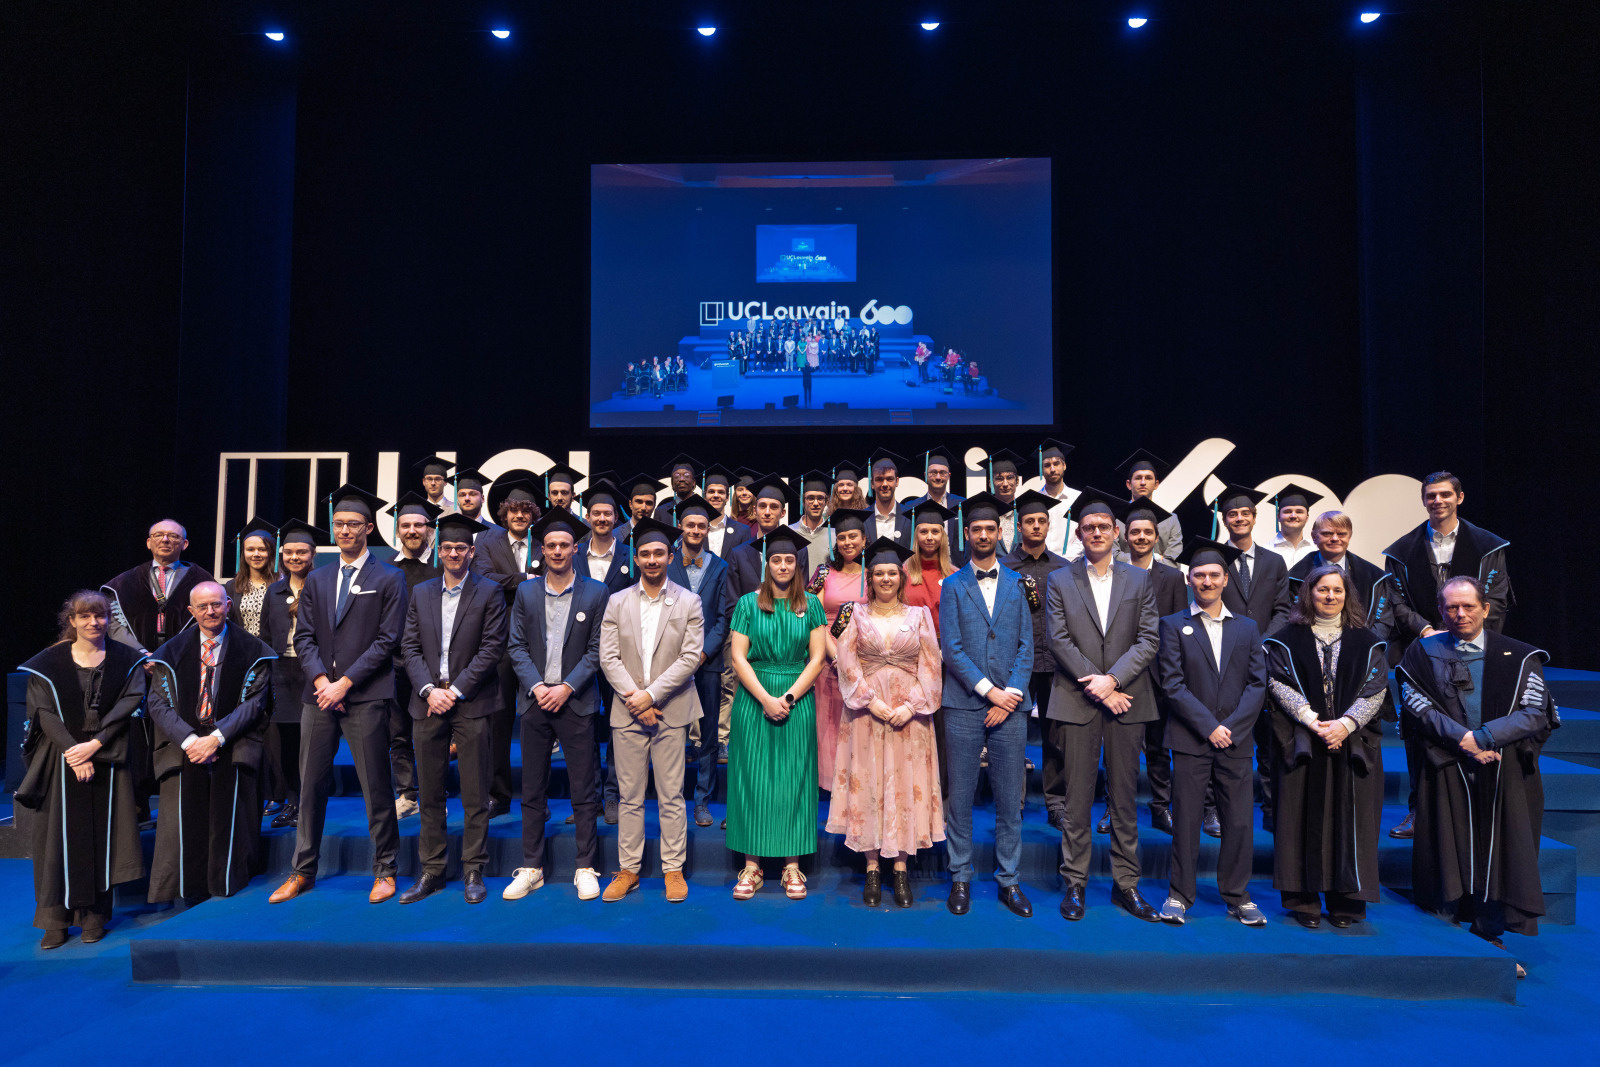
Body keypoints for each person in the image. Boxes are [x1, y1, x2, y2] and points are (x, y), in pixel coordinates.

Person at [1397, 577, 1554, 973]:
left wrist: (1484, 737)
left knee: (1500, 852)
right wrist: (1463, 740)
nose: (1460, 614)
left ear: (1485, 608)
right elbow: (1416, 704)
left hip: (1503, 770)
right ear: (1440, 610)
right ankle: (1445, 937)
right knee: (1445, 848)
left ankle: (1489, 935)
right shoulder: (1422, 652)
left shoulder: (1520, 656)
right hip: (1446, 766)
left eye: (1468, 606)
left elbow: (1535, 713)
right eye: (1451, 607)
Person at [270, 484, 407, 905]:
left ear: (368, 528)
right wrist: (320, 682)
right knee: (310, 787)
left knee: (376, 788)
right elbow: (304, 637)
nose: (345, 530)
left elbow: (387, 640)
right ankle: (302, 870)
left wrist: (344, 683)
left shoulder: (389, 577)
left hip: (365, 695)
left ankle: (385, 869)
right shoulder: (318, 578)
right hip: (318, 697)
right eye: (339, 524)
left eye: (352, 524)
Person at [1043, 490, 1162, 922]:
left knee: (1124, 798)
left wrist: (1112, 680)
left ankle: (1126, 884)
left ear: (1117, 532)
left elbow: (1149, 638)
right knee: (1077, 798)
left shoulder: (1139, 580)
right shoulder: (1059, 579)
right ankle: (1074, 882)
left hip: (1128, 699)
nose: (1096, 533)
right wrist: (1099, 685)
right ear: (1079, 534)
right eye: (1088, 527)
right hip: (1078, 699)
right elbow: (1058, 640)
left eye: (1103, 527)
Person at [1384, 472, 1514, 840]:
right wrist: (1427, 630)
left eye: (1445, 494)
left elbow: (1497, 598)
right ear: (1423, 500)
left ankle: (1481, 807)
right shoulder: (1401, 550)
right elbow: (1395, 602)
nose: (1437, 501)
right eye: (1431, 495)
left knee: (1475, 723)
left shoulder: (1488, 546)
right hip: (1422, 649)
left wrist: (1466, 632)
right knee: (1419, 728)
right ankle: (1418, 810)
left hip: (1476, 649)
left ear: (1460, 497)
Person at [16, 591, 148, 948]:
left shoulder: (126, 660)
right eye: (85, 616)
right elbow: (43, 712)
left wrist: (95, 744)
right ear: (71, 620)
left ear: (108, 619)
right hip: (60, 758)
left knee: (102, 838)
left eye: (100, 615)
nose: (94, 622)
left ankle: (94, 917)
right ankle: (54, 921)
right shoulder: (48, 663)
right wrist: (75, 752)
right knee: (55, 841)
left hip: (107, 755)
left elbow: (131, 701)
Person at [1263, 565, 1389, 928]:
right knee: (1299, 818)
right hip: (1304, 740)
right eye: (1322, 590)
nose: (1330, 596)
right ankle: (1304, 901)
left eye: (1337, 590)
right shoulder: (1286, 639)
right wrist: (1310, 719)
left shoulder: (1367, 641)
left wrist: (1346, 724)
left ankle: (1346, 902)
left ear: (1347, 595)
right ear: (1309, 593)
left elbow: (1376, 688)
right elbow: (1278, 682)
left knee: (1351, 821)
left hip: (1353, 744)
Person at [1156, 539, 1269, 927]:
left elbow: (1257, 684)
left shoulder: (1247, 628)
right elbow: (1172, 684)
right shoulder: (1173, 625)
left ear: (1225, 580)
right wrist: (1209, 727)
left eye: (1214, 575)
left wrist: (1230, 729)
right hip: (1191, 739)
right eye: (1199, 575)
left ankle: (1238, 895)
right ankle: (1179, 895)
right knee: (1187, 821)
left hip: (1236, 740)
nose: (1206, 581)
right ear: (1190, 579)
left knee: (1238, 821)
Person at [396, 513, 508, 905]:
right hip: (427, 701)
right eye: (447, 548)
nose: (454, 553)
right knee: (429, 793)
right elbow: (409, 647)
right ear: (438, 551)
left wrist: (455, 690)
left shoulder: (489, 592)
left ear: (471, 552)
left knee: (475, 794)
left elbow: (492, 648)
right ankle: (432, 870)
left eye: (461, 548)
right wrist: (429, 690)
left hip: (471, 701)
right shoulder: (421, 592)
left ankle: (474, 869)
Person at [827, 537, 944, 908]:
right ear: (870, 578)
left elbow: (932, 665)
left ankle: (901, 868)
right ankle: (873, 867)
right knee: (870, 782)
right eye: (878, 573)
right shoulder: (853, 614)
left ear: (901, 577)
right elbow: (846, 662)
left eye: (892, 573)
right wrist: (871, 702)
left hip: (910, 717)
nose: (886, 579)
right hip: (866, 714)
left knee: (906, 784)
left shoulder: (919, 616)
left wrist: (912, 706)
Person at [145, 580, 275, 904]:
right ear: (192, 611)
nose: (210, 611)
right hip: (185, 747)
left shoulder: (253, 650)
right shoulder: (171, 652)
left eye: (216, 604)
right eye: (202, 606)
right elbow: (157, 703)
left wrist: (215, 739)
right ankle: (187, 888)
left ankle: (226, 880)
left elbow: (255, 703)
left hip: (232, 743)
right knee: (184, 821)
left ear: (228, 605)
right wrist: (191, 740)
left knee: (230, 818)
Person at [505, 508, 611, 901]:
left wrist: (566, 687)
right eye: (550, 545)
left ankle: (585, 866)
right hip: (534, 702)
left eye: (564, 545)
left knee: (584, 791)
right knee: (532, 790)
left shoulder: (596, 593)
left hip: (576, 702)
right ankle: (532, 867)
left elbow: (598, 650)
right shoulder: (526, 592)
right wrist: (537, 686)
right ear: (542, 549)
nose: (557, 551)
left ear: (575, 549)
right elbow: (515, 646)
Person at [599, 516, 705, 903]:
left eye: (659, 553)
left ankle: (672, 869)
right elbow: (608, 657)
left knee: (671, 794)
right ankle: (628, 869)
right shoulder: (617, 601)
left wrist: (652, 696)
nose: (652, 559)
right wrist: (636, 698)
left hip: (670, 709)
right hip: (628, 710)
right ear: (636, 558)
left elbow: (690, 657)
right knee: (629, 796)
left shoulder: (689, 601)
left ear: (670, 556)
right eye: (645, 554)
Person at [939, 491, 1035, 918]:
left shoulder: (1018, 583)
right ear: (967, 534)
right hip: (963, 704)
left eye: (989, 529)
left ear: (999, 533)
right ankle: (960, 876)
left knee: (1009, 800)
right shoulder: (952, 585)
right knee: (960, 798)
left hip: (1010, 707)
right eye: (975, 529)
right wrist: (988, 691)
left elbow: (1027, 646)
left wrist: (1009, 695)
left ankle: (1009, 880)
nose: (982, 534)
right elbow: (952, 648)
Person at [726, 527, 828, 901]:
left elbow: (817, 658)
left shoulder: (811, 605)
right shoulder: (747, 604)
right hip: (754, 699)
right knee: (751, 779)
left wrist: (786, 696)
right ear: (766, 564)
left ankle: (791, 866)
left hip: (796, 698)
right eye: (776, 560)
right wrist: (766, 699)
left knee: (794, 779)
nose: (783, 566)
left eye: (789, 560)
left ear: (797, 565)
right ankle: (751, 867)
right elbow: (738, 657)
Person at [102, 517, 216, 827]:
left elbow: (208, 620)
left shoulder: (202, 580)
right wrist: (141, 655)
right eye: (159, 535)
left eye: (173, 536)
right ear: (149, 542)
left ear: (185, 544)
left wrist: (167, 657)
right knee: (136, 736)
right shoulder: (124, 583)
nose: (166, 540)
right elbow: (115, 624)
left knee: (180, 728)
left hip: (183, 667)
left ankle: (177, 806)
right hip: (136, 667)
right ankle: (138, 805)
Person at [1215, 482, 1293, 831]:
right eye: (1232, 514)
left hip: (1266, 659)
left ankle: (1272, 810)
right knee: (1227, 736)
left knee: (1269, 738)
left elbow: (1283, 609)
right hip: (1223, 659)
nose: (1239, 518)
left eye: (1245, 513)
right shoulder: (1214, 561)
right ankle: (1223, 809)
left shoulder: (1274, 562)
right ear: (1224, 519)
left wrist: (1261, 643)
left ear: (1255, 517)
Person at [472, 471, 545, 817]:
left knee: (536, 722)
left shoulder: (544, 541)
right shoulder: (487, 541)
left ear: (533, 514)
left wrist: (514, 584)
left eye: (526, 511)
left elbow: (554, 578)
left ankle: (536, 797)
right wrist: (525, 579)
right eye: (514, 510)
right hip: (498, 642)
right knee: (497, 721)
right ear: (504, 513)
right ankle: (498, 795)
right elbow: (484, 578)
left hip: (537, 642)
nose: (519, 516)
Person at [1001, 489, 1070, 829]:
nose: (1036, 526)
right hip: (1018, 665)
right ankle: (1013, 802)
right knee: (1013, 736)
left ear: (1048, 524)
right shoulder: (1005, 568)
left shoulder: (1064, 568)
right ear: (1019, 526)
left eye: (1042, 520)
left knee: (1056, 738)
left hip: (1056, 664)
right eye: (1030, 521)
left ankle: (1056, 803)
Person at [1120, 497, 1188, 834]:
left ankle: (1161, 807)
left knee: (1159, 747)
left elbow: (1177, 628)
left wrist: (1172, 673)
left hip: (1159, 674)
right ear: (1126, 537)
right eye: (1135, 532)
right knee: (1121, 749)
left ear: (1157, 537)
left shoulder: (1172, 578)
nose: (1142, 537)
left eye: (1147, 532)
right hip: (1122, 673)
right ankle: (1116, 809)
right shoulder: (1114, 572)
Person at [668, 495, 734, 828]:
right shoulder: (666, 563)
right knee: (672, 734)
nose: (695, 530)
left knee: (708, 735)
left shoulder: (719, 567)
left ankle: (702, 801)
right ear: (680, 526)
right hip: (668, 661)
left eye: (701, 526)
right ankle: (672, 800)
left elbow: (723, 617)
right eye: (690, 525)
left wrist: (703, 653)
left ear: (708, 530)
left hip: (707, 663)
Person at [258, 519, 322, 831]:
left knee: (309, 742)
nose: (294, 557)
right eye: (288, 553)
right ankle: (292, 801)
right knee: (283, 741)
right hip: (281, 671)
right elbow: (265, 633)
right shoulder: (275, 591)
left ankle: (308, 804)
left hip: (314, 671)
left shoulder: (322, 586)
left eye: (301, 552)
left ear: (313, 555)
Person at [384, 492, 443, 822]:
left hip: (431, 664)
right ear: (398, 530)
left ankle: (434, 795)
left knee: (432, 732)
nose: (412, 530)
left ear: (428, 529)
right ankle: (407, 794)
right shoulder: (384, 570)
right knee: (398, 732)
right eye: (405, 525)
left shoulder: (441, 569)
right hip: (393, 663)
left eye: (418, 525)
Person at [810, 506, 871, 789]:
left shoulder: (875, 574)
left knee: (859, 722)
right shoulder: (824, 573)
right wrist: (836, 655)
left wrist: (854, 659)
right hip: (828, 659)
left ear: (864, 540)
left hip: (865, 660)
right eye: (842, 537)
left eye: (853, 537)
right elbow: (815, 617)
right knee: (830, 722)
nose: (847, 542)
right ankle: (831, 786)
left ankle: (858, 783)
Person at [1288, 511, 1409, 646]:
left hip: (1363, 649)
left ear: (1349, 536)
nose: (1335, 538)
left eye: (1341, 534)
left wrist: (1366, 648)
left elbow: (1383, 620)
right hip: (1311, 648)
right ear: (1314, 537)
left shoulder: (1373, 577)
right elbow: (1291, 619)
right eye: (1327, 534)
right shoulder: (1294, 578)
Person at [1115, 450, 1183, 564]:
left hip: (1160, 576)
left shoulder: (1171, 520)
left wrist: (1135, 561)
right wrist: (1157, 558)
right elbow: (1112, 557)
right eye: (1138, 478)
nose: (1143, 482)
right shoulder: (1115, 518)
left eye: (1148, 478)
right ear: (1129, 484)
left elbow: (1173, 561)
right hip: (1123, 574)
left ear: (1156, 484)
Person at [227, 518, 279, 639]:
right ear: (243, 553)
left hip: (273, 647)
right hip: (242, 646)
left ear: (271, 552)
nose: (256, 554)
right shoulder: (232, 586)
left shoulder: (282, 583)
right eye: (250, 549)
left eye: (262, 549)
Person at [1035, 438, 1080, 559]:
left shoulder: (1077, 498)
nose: (1052, 469)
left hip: (1072, 563)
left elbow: (1083, 537)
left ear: (1064, 465)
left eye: (1056, 464)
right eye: (1047, 465)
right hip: (1040, 563)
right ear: (1041, 469)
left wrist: (1064, 561)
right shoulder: (1035, 501)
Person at [979, 449, 1028, 555]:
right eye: (999, 478)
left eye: (1010, 478)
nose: (1005, 484)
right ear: (990, 484)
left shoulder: (1026, 514)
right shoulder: (981, 515)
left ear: (1017, 481)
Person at [866, 449, 915, 546]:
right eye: (879, 479)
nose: (884, 484)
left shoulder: (910, 517)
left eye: (889, 479)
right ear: (872, 483)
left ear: (897, 481)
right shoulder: (863, 519)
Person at [702, 465, 750, 559]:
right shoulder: (696, 530)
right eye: (711, 492)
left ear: (727, 497)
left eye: (721, 492)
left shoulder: (742, 531)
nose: (716, 495)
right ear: (705, 497)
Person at [1269, 483, 1321, 568]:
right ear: (1278, 517)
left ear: (1307, 517)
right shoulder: (1266, 551)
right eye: (1287, 511)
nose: (1293, 516)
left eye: (1299, 512)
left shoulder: (1316, 550)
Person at [789, 469, 833, 562]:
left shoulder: (835, 535)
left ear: (826, 502)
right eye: (810, 498)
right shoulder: (790, 532)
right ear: (803, 501)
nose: (816, 503)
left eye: (820, 498)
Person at [654, 454, 700, 522]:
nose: (681, 479)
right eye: (677, 476)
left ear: (694, 482)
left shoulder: (702, 507)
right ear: (672, 484)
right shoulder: (661, 512)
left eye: (686, 475)